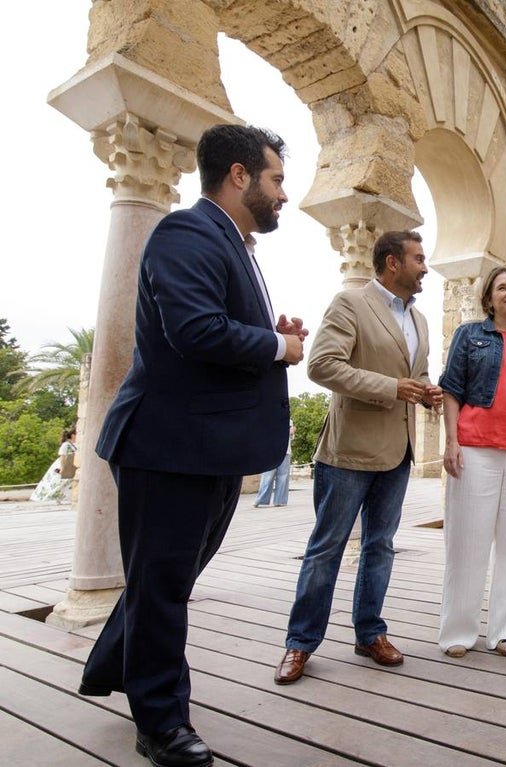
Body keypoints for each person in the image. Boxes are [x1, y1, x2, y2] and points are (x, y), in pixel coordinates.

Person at [80, 124, 307, 767]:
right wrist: (276, 346)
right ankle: (161, 724)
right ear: (239, 175)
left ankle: (116, 668)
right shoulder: (187, 232)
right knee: (162, 586)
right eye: (276, 179)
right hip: (167, 445)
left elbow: (216, 328)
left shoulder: (230, 243)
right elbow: (195, 330)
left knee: (162, 581)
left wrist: (270, 337)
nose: (282, 195)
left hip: (204, 448)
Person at [273, 230, 442, 685]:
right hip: (348, 451)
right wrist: (392, 388)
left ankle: (370, 632)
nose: (425, 267)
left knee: (380, 547)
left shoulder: (420, 320)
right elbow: (322, 365)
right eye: (418, 258)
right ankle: (300, 643)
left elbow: (415, 372)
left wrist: (426, 390)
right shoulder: (349, 303)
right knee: (326, 548)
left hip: (398, 452)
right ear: (392, 262)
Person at [437, 266, 506, 658]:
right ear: (489, 297)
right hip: (476, 446)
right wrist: (452, 441)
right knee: (468, 541)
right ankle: (458, 633)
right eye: (502, 287)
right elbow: (451, 388)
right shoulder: (470, 334)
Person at [30, 427, 78, 504]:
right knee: (57, 482)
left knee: (66, 482)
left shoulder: (73, 445)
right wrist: (62, 467)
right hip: (64, 464)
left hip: (69, 465)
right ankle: (48, 497)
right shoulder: (66, 445)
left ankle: (62, 498)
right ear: (73, 435)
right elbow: (63, 456)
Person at [254, 420, 294, 507]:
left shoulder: (289, 420)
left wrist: (291, 431)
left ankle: (280, 500)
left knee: (283, 476)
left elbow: (290, 434)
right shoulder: (269, 418)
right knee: (267, 475)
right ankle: (261, 500)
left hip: (285, 451)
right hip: (270, 450)